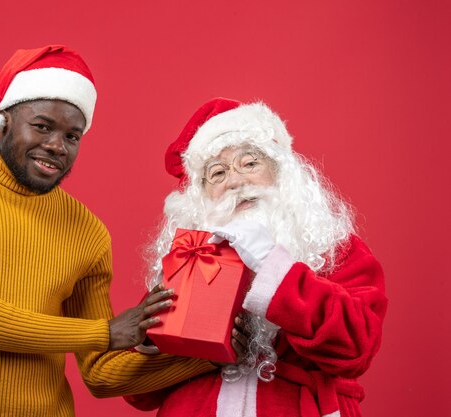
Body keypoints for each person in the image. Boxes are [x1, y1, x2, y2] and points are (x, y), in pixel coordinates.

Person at [0, 45, 215, 417]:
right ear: (3, 119)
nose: (56, 146)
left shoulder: (88, 232)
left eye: (72, 136)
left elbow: (101, 373)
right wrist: (105, 332)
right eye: (42, 126)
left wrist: (210, 356)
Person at [124, 98, 388, 417]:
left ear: (280, 171)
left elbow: (356, 349)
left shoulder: (333, 248)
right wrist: (169, 345)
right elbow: (136, 391)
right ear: (202, 195)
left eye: (250, 164)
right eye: (218, 173)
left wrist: (270, 263)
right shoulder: (188, 260)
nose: (236, 181)